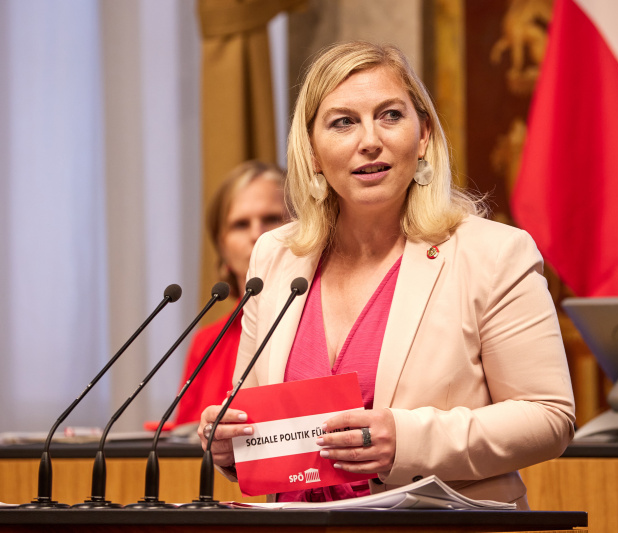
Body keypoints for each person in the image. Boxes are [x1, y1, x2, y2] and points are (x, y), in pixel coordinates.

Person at [198, 41, 575, 508]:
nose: (370, 139)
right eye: (343, 122)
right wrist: (233, 444)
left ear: (423, 136)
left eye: (390, 116)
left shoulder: (493, 253)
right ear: (313, 152)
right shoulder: (275, 256)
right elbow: (260, 423)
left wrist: (406, 438)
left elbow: (548, 418)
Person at [174, 160, 287, 426]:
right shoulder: (207, 343)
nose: (257, 235)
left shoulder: (330, 318)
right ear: (222, 247)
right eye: (240, 224)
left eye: (271, 219)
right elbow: (185, 442)